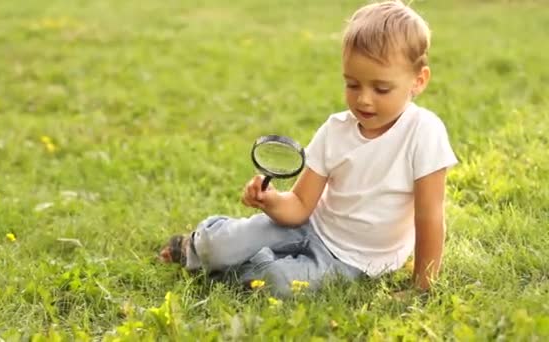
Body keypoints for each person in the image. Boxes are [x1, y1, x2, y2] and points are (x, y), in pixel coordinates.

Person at [159, 0, 458, 298]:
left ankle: (240, 267)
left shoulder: (424, 133)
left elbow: (429, 216)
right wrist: (272, 201)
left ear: (418, 81)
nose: (364, 100)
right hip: (309, 225)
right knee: (220, 247)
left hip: (354, 260)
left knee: (277, 283)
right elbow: (301, 205)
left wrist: (422, 286)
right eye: (353, 85)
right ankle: (196, 247)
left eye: (381, 89)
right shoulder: (335, 130)